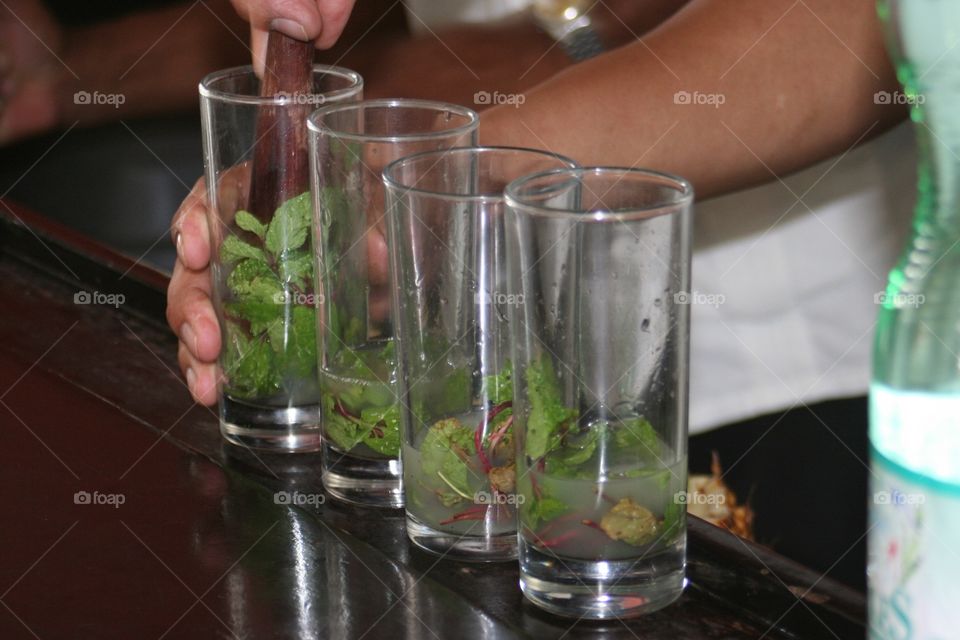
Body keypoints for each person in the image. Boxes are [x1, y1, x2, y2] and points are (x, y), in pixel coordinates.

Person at [166, 0, 913, 589]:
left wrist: (444, 188)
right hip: (498, 412)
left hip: (794, 379)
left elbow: (855, 23)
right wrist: (408, 209)